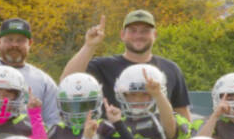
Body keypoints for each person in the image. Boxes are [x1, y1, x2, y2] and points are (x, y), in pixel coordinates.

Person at [61, 10, 192, 120]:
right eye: (133, 30)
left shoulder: (170, 68)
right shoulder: (103, 66)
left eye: (145, 31)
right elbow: (66, 82)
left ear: (155, 35)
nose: (138, 35)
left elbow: (182, 114)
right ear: (122, 35)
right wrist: (89, 45)